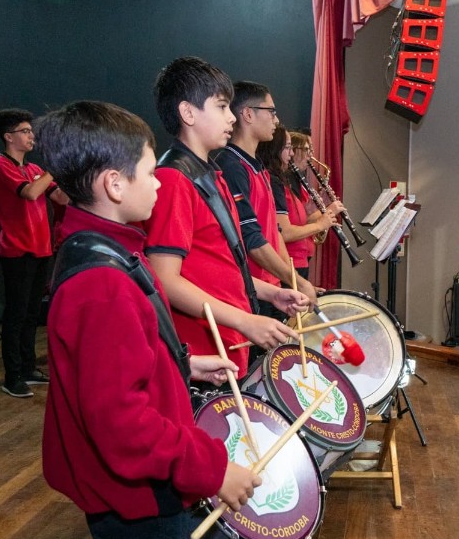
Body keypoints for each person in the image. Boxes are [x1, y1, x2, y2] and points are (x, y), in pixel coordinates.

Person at [36, 100, 260, 539]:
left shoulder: (104, 251)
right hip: (142, 503)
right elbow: (121, 426)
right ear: (114, 185)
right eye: (149, 170)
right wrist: (214, 470)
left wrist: (181, 362)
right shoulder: (102, 284)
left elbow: (115, 364)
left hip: (137, 493)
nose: (159, 181)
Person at [143, 57, 308, 380]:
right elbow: (165, 278)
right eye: (221, 106)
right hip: (202, 347)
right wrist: (244, 320)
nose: (231, 116)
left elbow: (222, 267)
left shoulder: (212, 174)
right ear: (188, 112)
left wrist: (269, 292)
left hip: (226, 341)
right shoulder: (176, 179)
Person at [214, 81, 317, 316]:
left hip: (270, 286)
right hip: (251, 291)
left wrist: (291, 281)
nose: (277, 120)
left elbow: (273, 232)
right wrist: (297, 282)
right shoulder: (231, 167)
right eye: (271, 111)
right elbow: (250, 238)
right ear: (248, 114)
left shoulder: (258, 167)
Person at [0, 109, 68, 398]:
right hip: (16, 250)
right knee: (16, 313)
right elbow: (31, 193)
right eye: (25, 131)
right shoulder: (1, 166)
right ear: (9, 137)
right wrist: (55, 168)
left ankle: (28, 367)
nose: (31, 135)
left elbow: (59, 197)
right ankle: (12, 376)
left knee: (32, 313)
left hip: (40, 248)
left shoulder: (34, 169)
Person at [257, 125, 340, 280]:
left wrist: (316, 210)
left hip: (298, 259)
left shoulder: (286, 182)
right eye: (288, 148)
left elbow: (298, 220)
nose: (292, 153)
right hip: (289, 260)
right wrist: (320, 224)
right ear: (276, 150)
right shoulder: (275, 182)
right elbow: (284, 232)